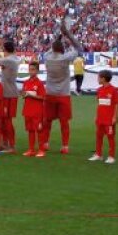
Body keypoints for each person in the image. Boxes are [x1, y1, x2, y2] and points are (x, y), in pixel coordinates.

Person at [41, 20, 80, 155]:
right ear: (62, 49)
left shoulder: (47, 58)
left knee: (47, 120)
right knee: (64, 122)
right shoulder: (64, 58)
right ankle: (65, 146)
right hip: (63, 94)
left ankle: (45, 143)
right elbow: (78, 48)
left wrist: (59, 36)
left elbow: (52, 48)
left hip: (50, 92)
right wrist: (67, 34)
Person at [0, 34, 21, 153]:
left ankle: (11, 146)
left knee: (7, 121)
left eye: (2, 49)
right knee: (3, 120)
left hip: (9, 94)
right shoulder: (13, 58)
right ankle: (5, 143)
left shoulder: (9, 60)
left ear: (5, 50)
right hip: (8, 92)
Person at [89, 69, 118, 164]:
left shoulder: (113, 90)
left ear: (103, 78)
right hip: (100, 118)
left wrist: (115, 116)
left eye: (99, 77)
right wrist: (96, 116)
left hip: (109, 119)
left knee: (110, 137)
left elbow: (116, 104)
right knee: (99, 136)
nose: (97, 79)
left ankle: (111, 156)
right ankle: (98, 154)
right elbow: (99, 104)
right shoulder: (99, 90)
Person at [21, 60, 47, 157]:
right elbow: (24, 94)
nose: (31, 71)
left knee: (39, 130)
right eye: (30, 69)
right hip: (27, 110)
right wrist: (23, 94)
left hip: (37, 111)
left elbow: (43, 97)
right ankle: (31, 150)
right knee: (30, 130)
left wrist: (31, 95)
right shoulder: (26, 82)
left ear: (37, 71)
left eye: (33, 70)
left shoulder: (39, 83)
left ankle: (41, 150)